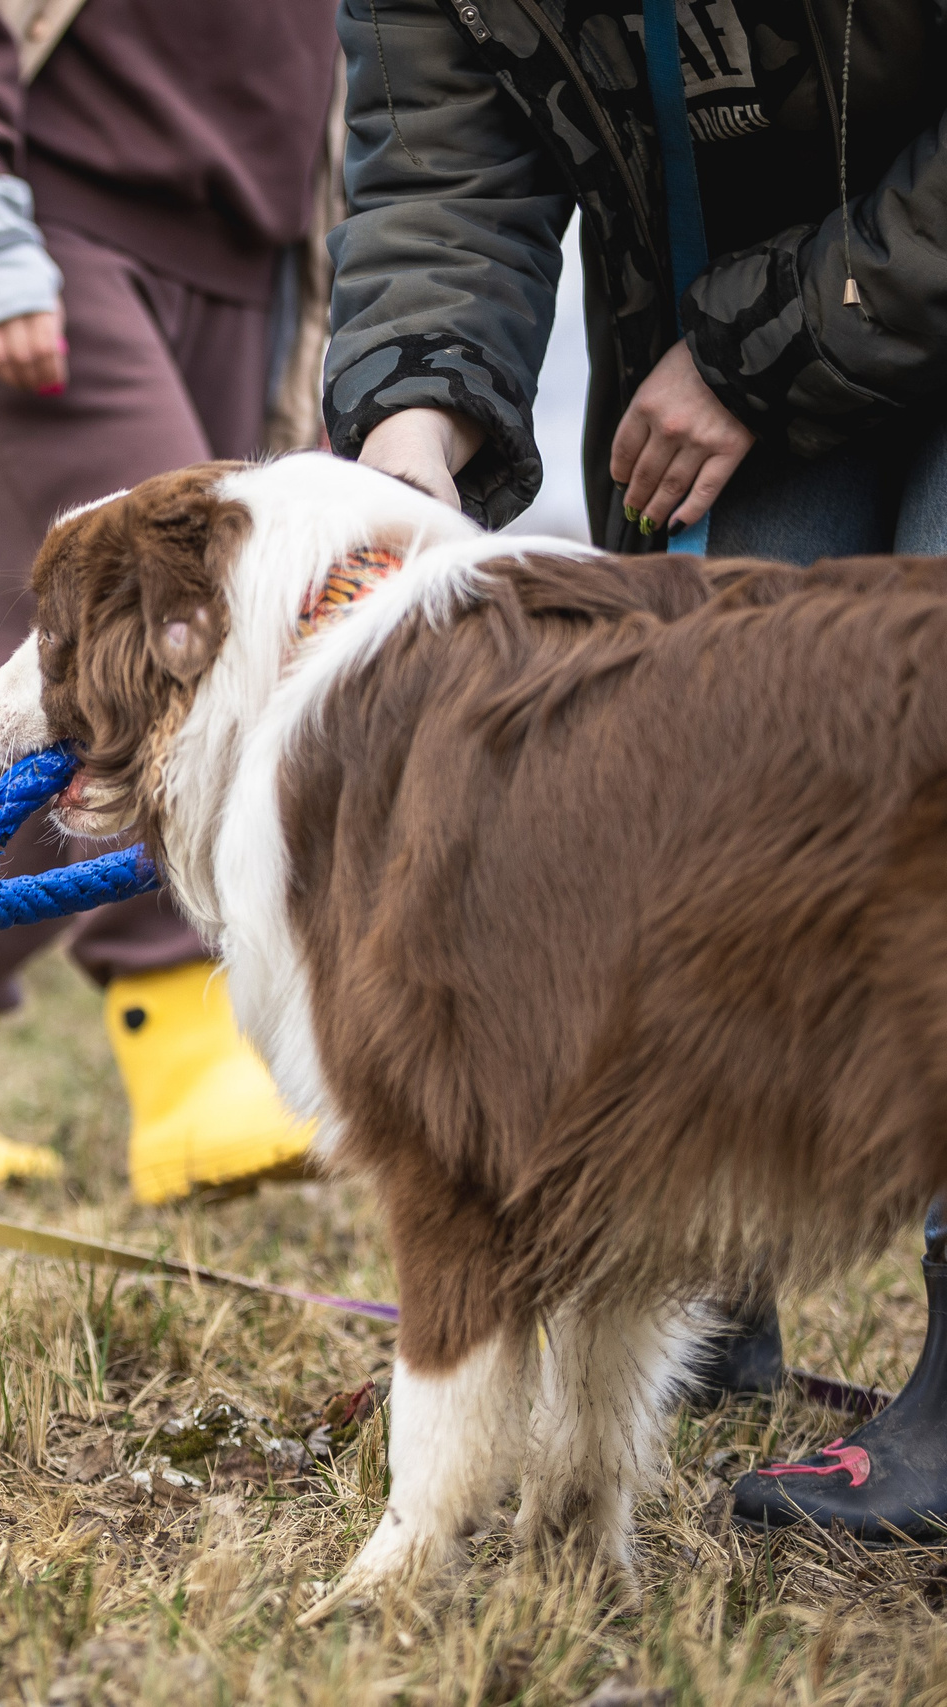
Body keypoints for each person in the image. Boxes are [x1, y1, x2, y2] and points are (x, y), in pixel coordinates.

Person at [322, 0, 947, 1535]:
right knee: (704, 802)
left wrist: (755, 349)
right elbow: (439, 169)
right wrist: (414, 426)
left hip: (803, 306)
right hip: (724, 339)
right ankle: (695, 1292)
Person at [0, 0, 337, 1200]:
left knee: (187, 662)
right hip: (50, 204)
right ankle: (182, 1039)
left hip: (257, 256)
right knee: (131, 656)